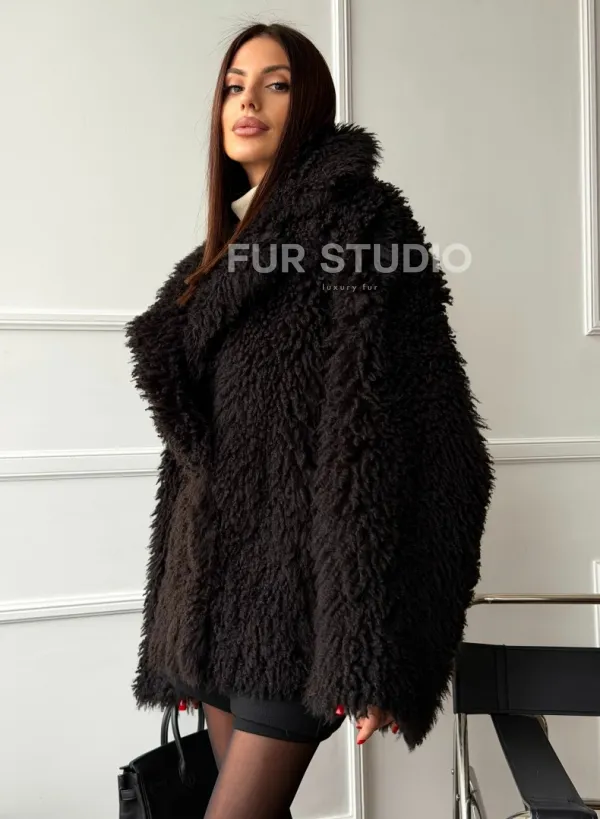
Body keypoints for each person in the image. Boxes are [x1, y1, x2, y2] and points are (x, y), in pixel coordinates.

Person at [124, 21, 495, 819]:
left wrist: (377, 645)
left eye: (276, 83)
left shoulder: (361, 227)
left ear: (311, 103)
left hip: (304, 608)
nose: (247, 102)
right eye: (234, 86)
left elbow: (429, 442)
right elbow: (194, 466)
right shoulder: (213, 263)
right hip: (215, 610)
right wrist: (179, 624)